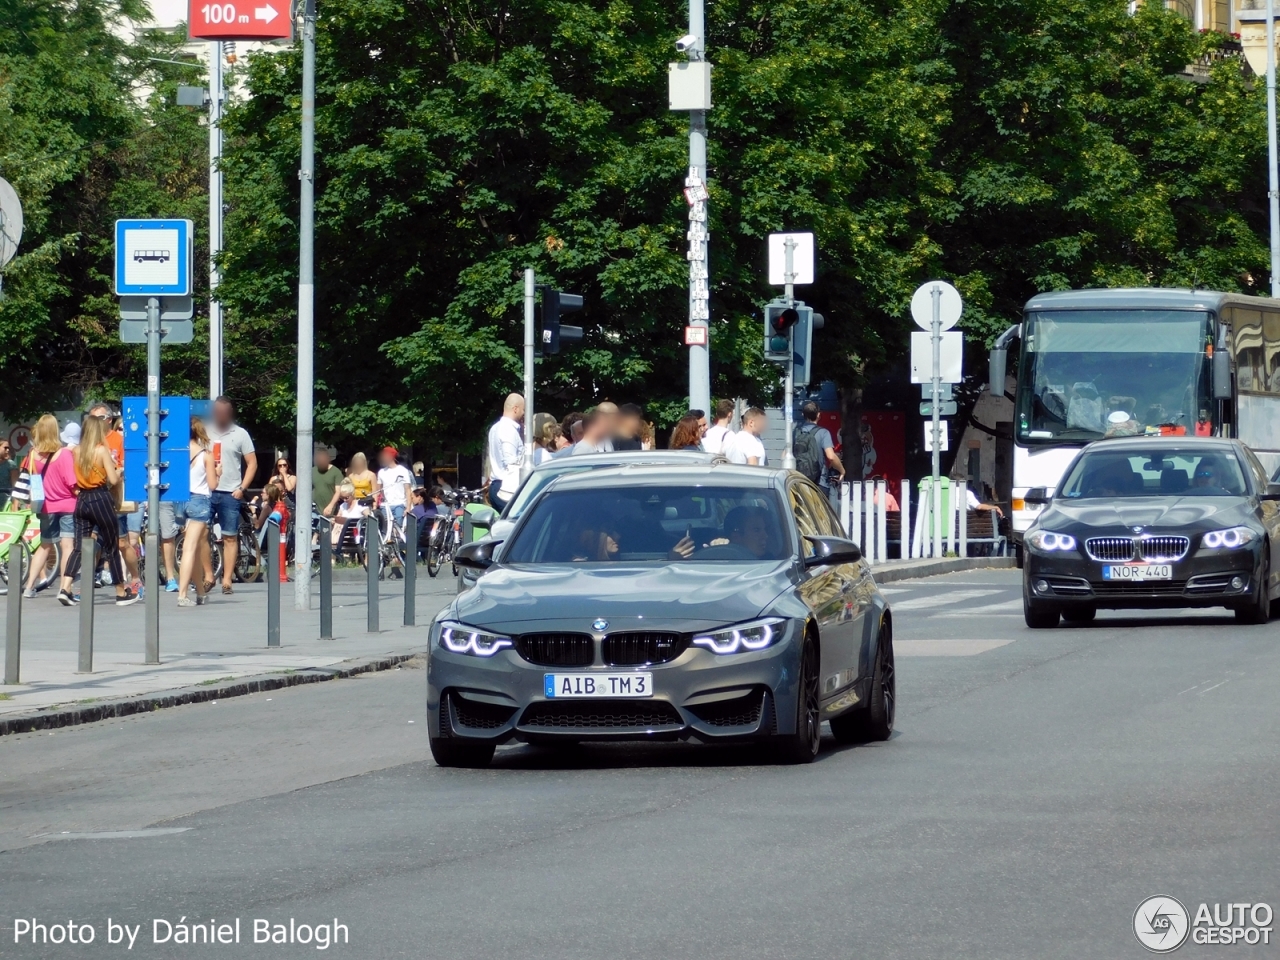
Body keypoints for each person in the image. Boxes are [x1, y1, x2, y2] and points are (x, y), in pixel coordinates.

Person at [58, 415, 137, 606]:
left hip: (82, 500)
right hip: (99, 498)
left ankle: (65, 587)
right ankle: (120, 591)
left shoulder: (76, 451)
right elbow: (113, 479)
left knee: (79, 546)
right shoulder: (101, 451)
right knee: (111, 545)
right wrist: (118, 471)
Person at [87, 404, 141, 593]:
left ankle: (135, 578)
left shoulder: (118, 439)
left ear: (108, 420)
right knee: (90, 540)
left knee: (121, 542)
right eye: (90, 418)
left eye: (98, 418)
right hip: (93, 497)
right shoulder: (89, 441)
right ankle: (89, 579)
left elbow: (129, 465)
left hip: (114, 497)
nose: (93, 422)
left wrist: (118, 469)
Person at [20, 415, 69, 598]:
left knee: (45, 544)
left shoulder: (32, 454)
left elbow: (26, 477)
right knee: (67, 546)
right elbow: (69, 479)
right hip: (65, 502)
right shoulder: (62, 453)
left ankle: (29, 586)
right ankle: (65, 587)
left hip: (44, 504)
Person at [177, 417, 219, 607]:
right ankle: (182, 594)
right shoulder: (206, 455)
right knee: (189, 548)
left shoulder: (177, 453)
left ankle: (200, 593)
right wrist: (218, 472)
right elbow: (212, 485)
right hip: (200, 501)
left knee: (192, 549)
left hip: (181, 501)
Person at [798, 401, 846, 506]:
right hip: (819, 483)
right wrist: (842, 471)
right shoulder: (823, 433)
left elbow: (784, 455)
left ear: (803, 414)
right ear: (819, 415)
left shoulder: (796, 432)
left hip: (799, 481)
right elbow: (831, 456)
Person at [486, 393, 525, 509]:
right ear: (516, 409)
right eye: (523, 410)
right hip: (506, 489)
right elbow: (511, 463)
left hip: (497, 485)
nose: (523, 414)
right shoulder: (509, 430)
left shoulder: (495, 427)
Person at [377, 446, 413, 524]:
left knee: (398, 527)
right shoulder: (381, 472)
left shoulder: (403, 471)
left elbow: (408, 490)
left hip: (399, 504)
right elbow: (379, 490)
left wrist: (408, 507)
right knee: (385, 529)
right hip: (385, 506)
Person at [312, 443, 343, 517]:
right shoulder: (312, 471)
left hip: (330, 511)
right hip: (314, 511)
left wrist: (331, 505)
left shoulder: (336, 472)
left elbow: (338, 491)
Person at [0, 438, 17, 510]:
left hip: (6, 505)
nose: (8, 450)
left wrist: (15, 507)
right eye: (5, 448)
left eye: (8, 448)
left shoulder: (10, 464)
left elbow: (16, 488)